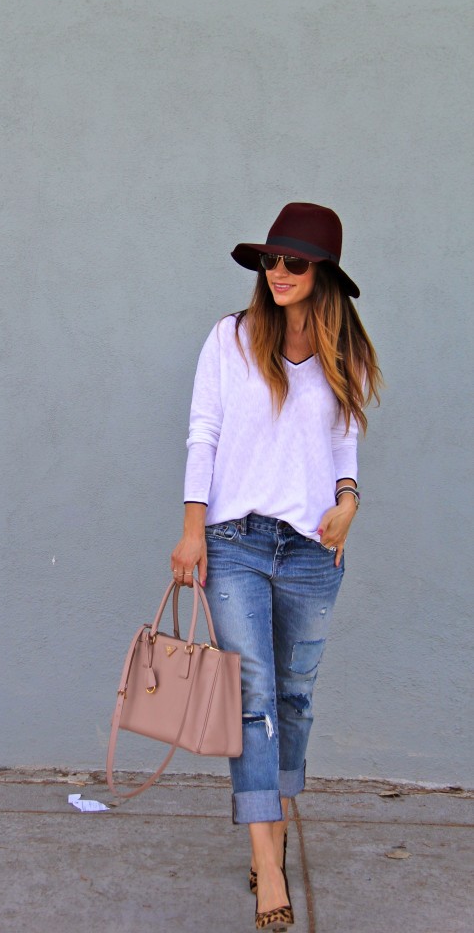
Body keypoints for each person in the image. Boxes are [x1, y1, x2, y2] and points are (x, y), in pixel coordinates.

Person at [170, 202, 381, 931]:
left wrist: (349, 503)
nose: (279, 273)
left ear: (323, 273)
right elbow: (204, 433)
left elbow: (345, 446)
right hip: (235, 542)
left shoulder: (343, 350)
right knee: (252, 697)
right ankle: (266, 860)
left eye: (295, 262)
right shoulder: (230, 340)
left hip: (313, 550)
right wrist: (193, 526)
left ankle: (275, 822)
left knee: (294, 698)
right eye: (271, 260)